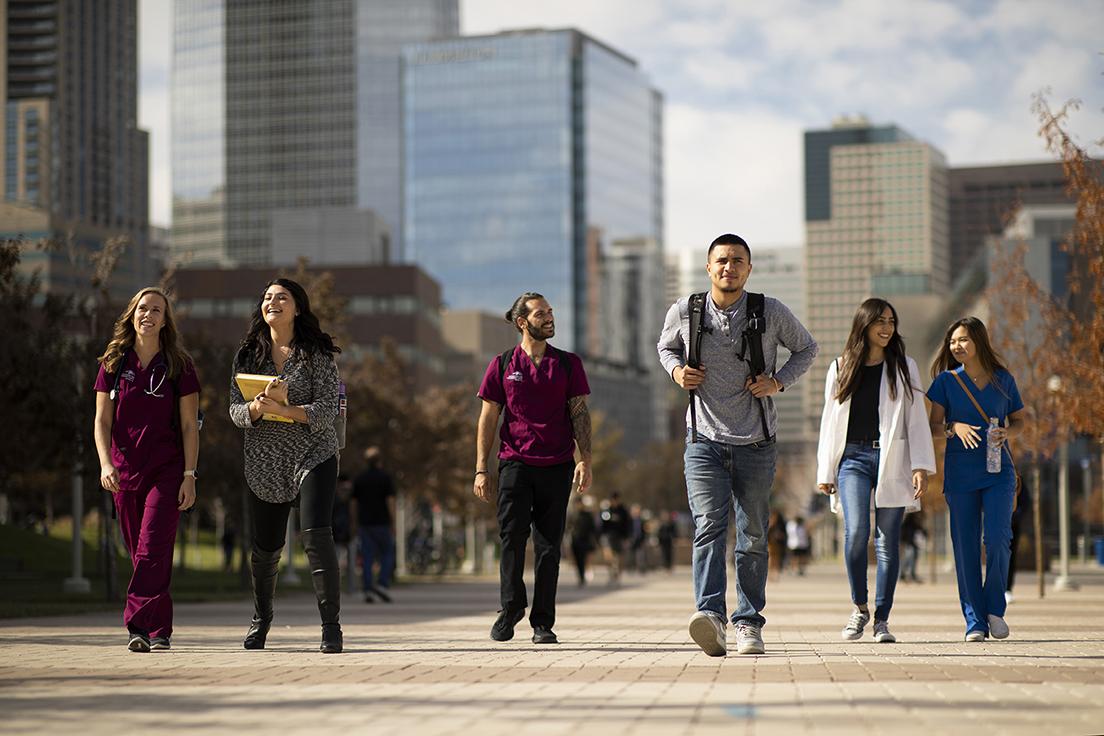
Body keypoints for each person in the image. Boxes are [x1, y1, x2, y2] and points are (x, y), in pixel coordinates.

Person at [657, 233, 817, 657]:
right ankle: (710, 616)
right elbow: (665, 347)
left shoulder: (770, 311)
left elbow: (807, 348)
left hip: (757, 442)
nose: (729, 267)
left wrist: (778, 381)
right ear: (709, 267)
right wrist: (677, 372)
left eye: (738, 261)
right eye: (722, 261)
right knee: (709, 526)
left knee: (752, 534)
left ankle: (748, 623)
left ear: (749, 269)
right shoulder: (686, 310)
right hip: (703, 440)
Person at [229, 278, 343, 653]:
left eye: (282, 297)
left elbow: (328, 409)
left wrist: (286, 411)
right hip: (264, 459)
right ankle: (261, 620)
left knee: (316, 535)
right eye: (267, 297)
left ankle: (331, 628)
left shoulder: (317, 354)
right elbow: (234, 411)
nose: (272, 302)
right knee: (265, 548)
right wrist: (256, 410)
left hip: (314, 453)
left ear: (297, 308)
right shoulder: (247, 354)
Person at [815, 298, 936, 643]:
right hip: (851, 460)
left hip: (892, 459)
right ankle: (859, 608)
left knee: (888, 542)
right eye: (879, 321)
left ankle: (882, 619)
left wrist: (920, 466)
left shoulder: (904, 367)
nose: (886, 328)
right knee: (856, 535)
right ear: (864, 325)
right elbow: (829, 422)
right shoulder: (841, 366)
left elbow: (916, 419)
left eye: (891, 322)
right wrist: (826, 470)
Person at [474, 292, 592, 645]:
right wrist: (481, 468)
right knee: (511, 538)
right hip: (514, 462)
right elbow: (488, 417)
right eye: (542, 314)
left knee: (549, 546)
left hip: (556, 465)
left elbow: (579, 414)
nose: (550, 318)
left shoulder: (568, 364)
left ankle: (543, 622)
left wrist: (585, 459)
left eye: (552, 312)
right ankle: (510, 608)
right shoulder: (502, 364)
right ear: (522, 322)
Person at [93, 287, 200, 652]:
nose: (149, 315)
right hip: (124, 473)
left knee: (152, 548)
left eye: (157, 310)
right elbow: (101, 421)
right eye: (142, 308)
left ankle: (137, 626)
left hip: (166, 471)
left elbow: (189, 426)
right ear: (132, 313)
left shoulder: (179, 365)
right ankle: (160, 631)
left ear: (166, 320)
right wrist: (105, 462)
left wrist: (189, 475)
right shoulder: (113, 362)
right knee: (141, 553)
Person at [927, 316, 1026, 642]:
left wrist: (1007, 431)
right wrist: (955, 428)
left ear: (979, 342)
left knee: (998, 539)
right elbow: (933, 427)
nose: (957, 346)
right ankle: (975, 621)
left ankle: (994, 609)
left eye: (963, 340)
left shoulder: (1003, 380)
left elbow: (1021, 421)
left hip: (999, 472)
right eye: (953, 341)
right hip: (960, 474)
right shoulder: (945, 382)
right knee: (966, 548)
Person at [351, 446, 397, 603]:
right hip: (383, 522)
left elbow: (354, 503)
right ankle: (382, 584)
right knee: (387, 554)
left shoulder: (360, 479)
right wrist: (393, 521)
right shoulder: (385, 478)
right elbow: (390, 501)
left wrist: (354, 521)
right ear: (379, 461)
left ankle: (368, 589)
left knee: (367, 557)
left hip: (365, 523)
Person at [1006, 480, 1030, 604]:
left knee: (1011, 556)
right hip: (997, 523)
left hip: (1013, 524)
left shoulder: (1018, 481)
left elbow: (1025, 503)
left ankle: (1007, 588)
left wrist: (1014, 517)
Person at [600, 493, 631, 586]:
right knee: (608, 556)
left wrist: (626, 538)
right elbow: (602, 524)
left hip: (620, 537)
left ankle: (618, 577)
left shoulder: (623, 511)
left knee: (620, 557)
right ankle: (610, 575)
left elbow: (628, 525)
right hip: (608, 536)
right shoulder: (607, 510)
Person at [567, 495, 598, 587]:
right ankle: (581, 577)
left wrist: (595, 539)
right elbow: (568, 527)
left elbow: (593, 528)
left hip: (585, 541)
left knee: (584, 559)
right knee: (577, 560)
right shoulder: (573, 515)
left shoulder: (588, 515)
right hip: (575, 540)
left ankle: (583, 576)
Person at [899, 513, 925, 584]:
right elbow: (903, 535)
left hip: (912, 544)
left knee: (909, 560)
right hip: (909, 544)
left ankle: (907, 574)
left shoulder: (912, 524)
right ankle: (905, 574)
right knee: (908, 560)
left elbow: (922, 530)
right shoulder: (909, 525)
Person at [766, 510, 788, 582]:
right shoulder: (769, 524)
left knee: (776, 561)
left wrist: (780, 536)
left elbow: (785, 535)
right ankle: (770, 575)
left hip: (778, 545)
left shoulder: (781, 525)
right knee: (770, 560)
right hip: (770, 545)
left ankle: (776, 575)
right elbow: (766, 534)